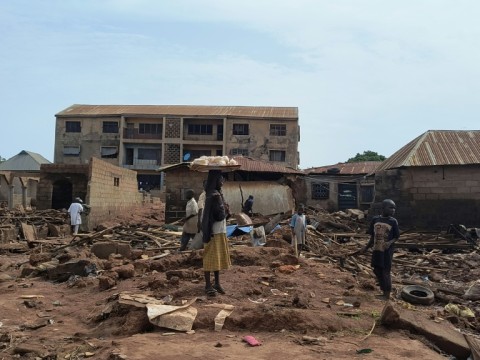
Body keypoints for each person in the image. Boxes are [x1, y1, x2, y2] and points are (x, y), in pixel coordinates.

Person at [201, 170, 231, 297]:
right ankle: (208, 285)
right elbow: (219, 215)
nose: (222, 182)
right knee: (209, 259)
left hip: (219, 230)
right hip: (214, 232)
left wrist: (225, 209)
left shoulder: (215, 194)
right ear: (215, 181)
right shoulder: (214, 195)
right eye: (221, 180)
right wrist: (225, 210)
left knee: (216, 259)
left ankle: (217, 283)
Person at [362, 199, 400, 300]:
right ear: (383, 208)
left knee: (385, 271)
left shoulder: (393, 221)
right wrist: (366, 248)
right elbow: (372, 237)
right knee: (377, 270)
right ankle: (383, 290)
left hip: (387, 251)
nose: (393, 210)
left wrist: (389, 243)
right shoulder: (375, 220)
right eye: (390, 207)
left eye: (394, 208)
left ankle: (387, 294)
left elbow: (396, 236)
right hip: (377, 250)